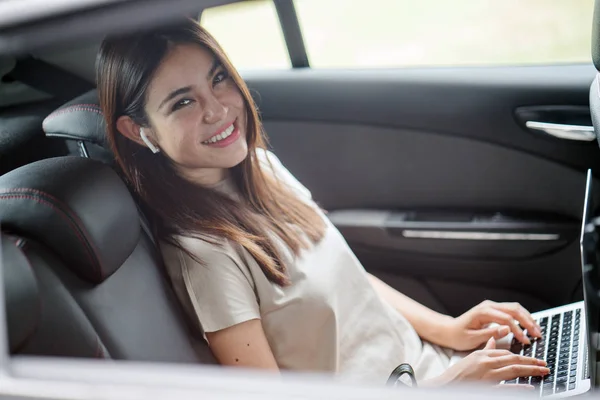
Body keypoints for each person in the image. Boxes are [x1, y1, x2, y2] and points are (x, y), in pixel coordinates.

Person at [95, 19, 549, 387]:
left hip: (434, 366)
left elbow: (348, 279)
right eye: (183, 103)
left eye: (218, 80)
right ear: (140, 131)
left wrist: (449, 330)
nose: (217, 110)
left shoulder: (262, 166)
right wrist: (451, 386)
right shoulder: (206, 255)